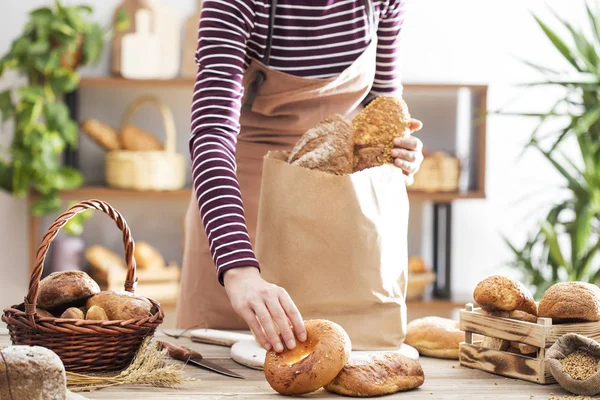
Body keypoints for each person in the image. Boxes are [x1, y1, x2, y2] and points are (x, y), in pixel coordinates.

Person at [176, 0, 424, 354]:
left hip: (338, 209)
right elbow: (211, 135)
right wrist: (239, 270)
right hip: (241, 214)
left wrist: (400, 151)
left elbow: (383, 105)